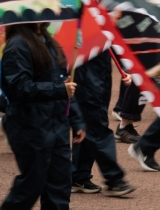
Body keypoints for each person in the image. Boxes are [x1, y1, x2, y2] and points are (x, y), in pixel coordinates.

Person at [1, 22, 86, 209]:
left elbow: (65, 86)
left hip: (56, 126)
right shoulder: (17, 46)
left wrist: (77, 121)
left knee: (60, 186)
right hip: (30, 127)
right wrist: (59, 89)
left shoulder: (48, 40)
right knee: (31, 185)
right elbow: (20, 88)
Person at [71, 50, 136, 196]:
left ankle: (78, 175)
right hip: (87, 79)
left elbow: (111, 42)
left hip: (100, 76)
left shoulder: (96, 28)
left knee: (89, 128)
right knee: (97, 129)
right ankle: (114, 179)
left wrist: (125, 68)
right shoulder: (78, 29)